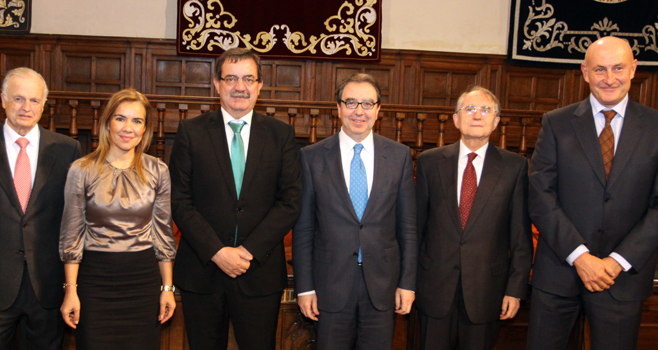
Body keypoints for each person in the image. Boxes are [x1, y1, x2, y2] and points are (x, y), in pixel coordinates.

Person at [527, 36, 658, 350]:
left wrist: (615, 262)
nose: (609, 79)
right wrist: (580, 257)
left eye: (618, 68)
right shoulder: (556, 124)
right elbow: (540, 195)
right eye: (600, 69)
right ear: (585, 72)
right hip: (560, 271)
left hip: (622, 278)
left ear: (634, 69)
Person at [169, 47, 302, 350]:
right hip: (203, 272)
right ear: (216, 84)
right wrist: (217, 251)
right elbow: (179, 200)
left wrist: (247, 251)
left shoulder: (281, 134)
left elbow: (290, 202)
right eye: (231, 78)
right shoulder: (191, 132)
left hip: (259, 272)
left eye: (247, 79)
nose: (239, 87)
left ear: (259, 85)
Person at [0, 67, 81, 349]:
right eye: (19, 99)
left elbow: (74, 220)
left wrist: (72, 284)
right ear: (3, 100)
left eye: (34, 100)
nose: (27, 107)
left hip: (47, 283)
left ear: (44, 105)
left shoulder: (67, 149)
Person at [292, 73, 416, 350]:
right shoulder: (312, 157)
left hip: (383, 287)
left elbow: (407, 227)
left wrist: (407, 283)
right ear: (338, 108)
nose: (358, 111)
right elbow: (303, 229)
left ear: (378, 110)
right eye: (350, 102)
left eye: (367, 103)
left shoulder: (399, 156)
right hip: (329, 286)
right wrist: (305, 287)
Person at [414, 86, 532, 350]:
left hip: (487, 291)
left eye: (485, 109)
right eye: (469, 109)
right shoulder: (430, 162)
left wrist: (515, 289)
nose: (477, 115)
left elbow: (520, 236)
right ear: (456, 119)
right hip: (434, 288)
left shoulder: (514, 167)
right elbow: (416, 229)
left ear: (497, 121)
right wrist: (408, 284)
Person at [59, 88, 176, 349]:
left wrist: (167, 288)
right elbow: (72, 235)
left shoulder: (158, 171)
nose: (128, 128)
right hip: (95, 280)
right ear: (107, 122)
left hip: (142, 280)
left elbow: (163, 234)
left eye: (137, 121)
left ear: (145, 129)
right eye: (121, 118)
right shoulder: (82, 169)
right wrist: (71, 290)